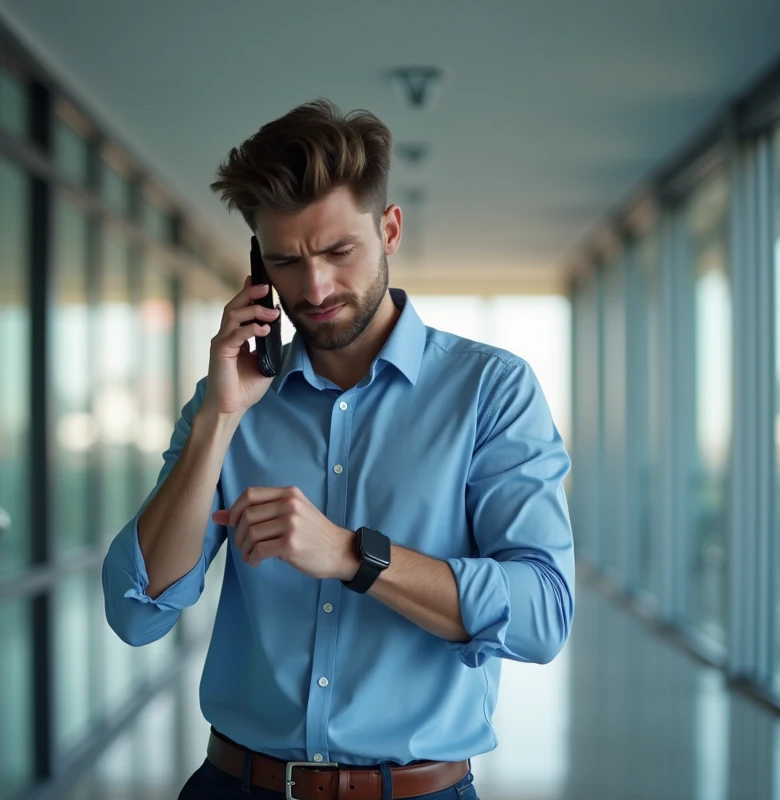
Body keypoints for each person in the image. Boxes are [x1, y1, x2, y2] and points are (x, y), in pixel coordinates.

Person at [102, 99, 574, 800]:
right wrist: (217, 422)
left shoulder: (490, 391)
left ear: (389, 230)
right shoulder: (232, 400)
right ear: (258, 267)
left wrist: (354, 556)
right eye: (287, 261)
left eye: (337, 252)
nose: (314, 288)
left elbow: (541, 615)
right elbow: (138, 612)